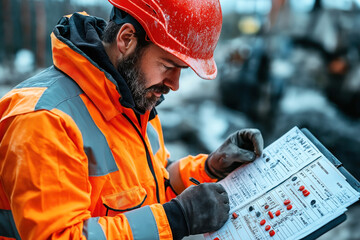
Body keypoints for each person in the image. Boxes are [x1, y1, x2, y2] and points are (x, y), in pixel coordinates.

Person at [0, 0, 264, 239]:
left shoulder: (134, 101)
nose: (175, 85)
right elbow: (58, 236)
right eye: (167, 66)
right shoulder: (44, 119)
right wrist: (175, 219)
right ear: (126, 39)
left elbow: (153, 185)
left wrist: (210, 169)